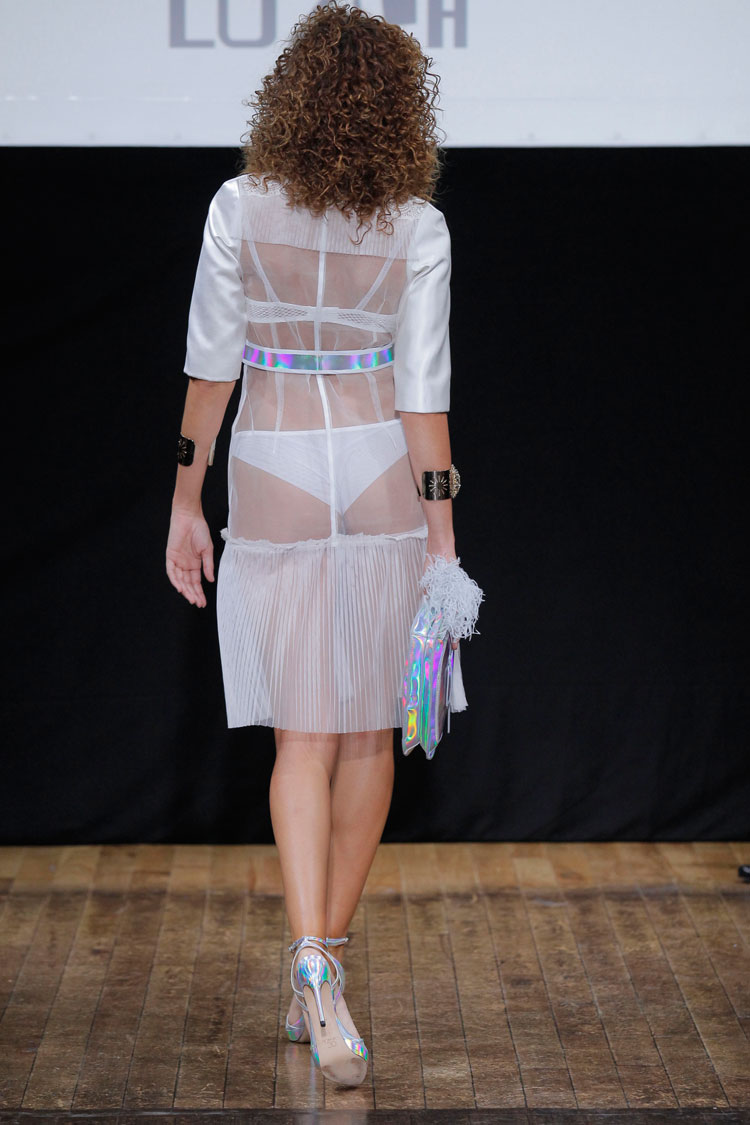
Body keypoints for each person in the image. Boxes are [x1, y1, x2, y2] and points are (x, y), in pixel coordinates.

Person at [165, 1, 458, 1088]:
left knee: (303, 737)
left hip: (274, 476)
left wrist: (184, 502)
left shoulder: (238, 207)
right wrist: (443, 539)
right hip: (379, 474)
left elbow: (212, 369)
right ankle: (325, 959)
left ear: (288, 98)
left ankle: (309, 966)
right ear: (400, 113)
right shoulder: (417, 227)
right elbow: (424, 398)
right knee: (371, 733)